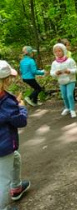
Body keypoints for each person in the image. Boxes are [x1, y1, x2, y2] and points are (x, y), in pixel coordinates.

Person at [0, 60, 30, 210]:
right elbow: (20, 121)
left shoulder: (5, 99)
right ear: (5, 81)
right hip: (3, 147)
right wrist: (21, 107)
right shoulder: (5, 101)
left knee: (16, 159)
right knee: (2, 181)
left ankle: (16, 187)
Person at [50, 43, 77, 118]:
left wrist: (70, 71)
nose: (58, 53)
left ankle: (72, 110)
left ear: (64, 51)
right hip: (61, 81)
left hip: (71, 80)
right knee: (64, 96)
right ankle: (67, 108)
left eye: (59, 51)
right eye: (56, 51)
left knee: (69, 95)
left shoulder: (70, 60)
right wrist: (56, 73)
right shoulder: (54, 63)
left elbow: (75, 69)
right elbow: (52, 73)